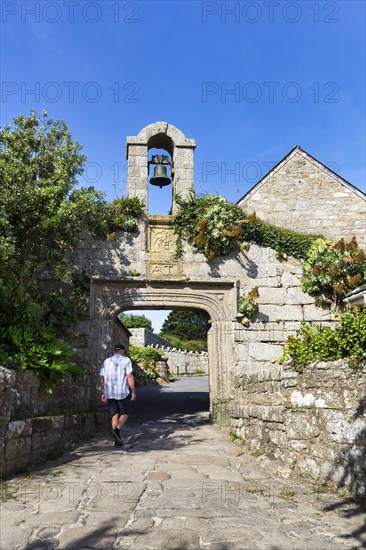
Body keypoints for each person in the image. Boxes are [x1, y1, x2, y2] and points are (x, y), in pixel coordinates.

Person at [100, 343, 136, 447]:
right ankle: (116, 430)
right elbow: (129, 376)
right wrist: (133, 391)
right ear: (123, 351)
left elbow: (102, 378)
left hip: (110, 392)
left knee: (114, 414)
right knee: (125, 413)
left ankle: (117, 441)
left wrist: (103, 392)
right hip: (122, 392)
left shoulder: (107, 361)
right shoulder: (126, 360)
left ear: (115, 351)